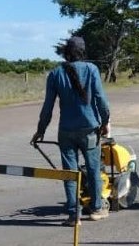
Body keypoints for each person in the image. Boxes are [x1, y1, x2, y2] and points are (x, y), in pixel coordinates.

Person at [30, 36, 110, 226]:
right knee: (93, 169)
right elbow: (101, 100)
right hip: (90, 128)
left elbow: (47, 107)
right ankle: (97, 209)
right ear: (83, 52)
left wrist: (40, 130)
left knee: (69, 172)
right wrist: (105, 121)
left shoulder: (55, 73)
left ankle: (74, 215)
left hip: (66, 130)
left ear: (66, 52)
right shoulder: (92, 70)